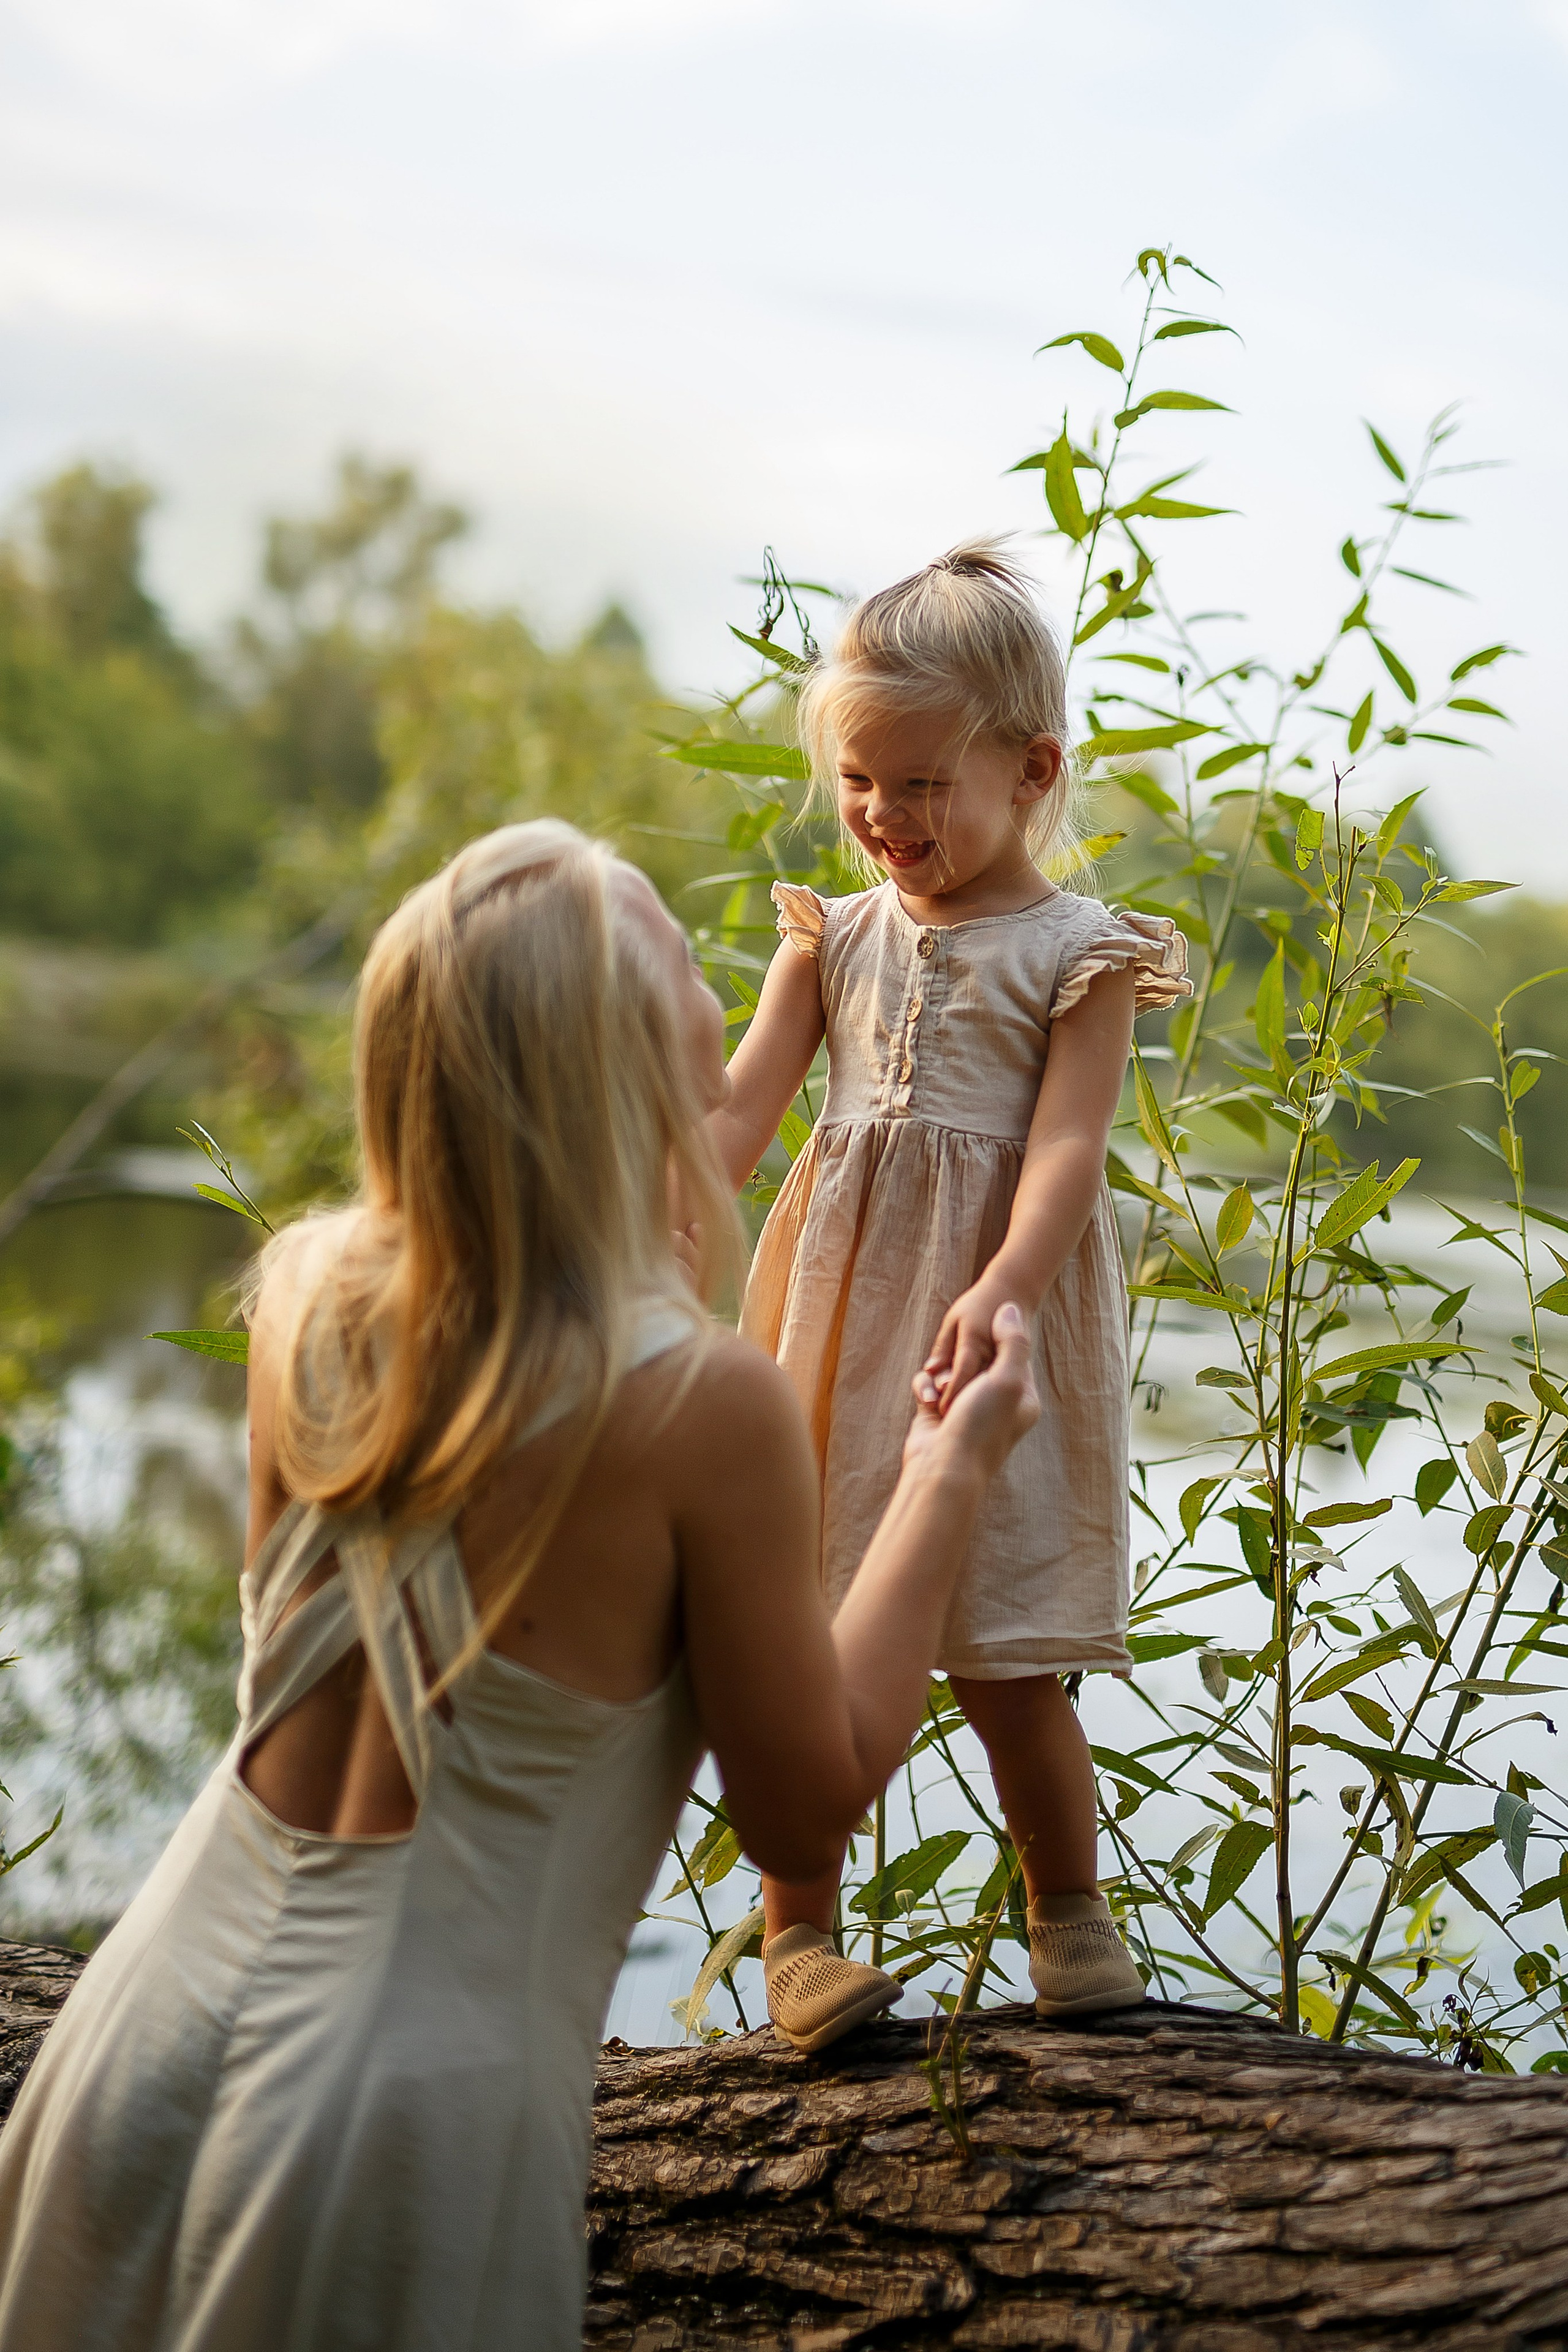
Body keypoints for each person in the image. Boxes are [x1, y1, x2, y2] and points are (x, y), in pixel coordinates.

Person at [0, 821, 1039, 2352]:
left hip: (145, 2019)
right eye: (679, 953)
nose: (719, 972)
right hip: (397, 2117)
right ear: (613, 1057)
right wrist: (950, 1474)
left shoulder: (313, 1303)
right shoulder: (696, 1405)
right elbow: (805, 1810)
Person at [709, 543, 1191, 2054]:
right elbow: (733, 1123)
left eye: (920, 784)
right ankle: (799, 1942)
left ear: (1031, 767)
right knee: (793, 1632)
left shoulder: (1077, 956)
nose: (880, 818)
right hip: (831, 1323)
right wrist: (630, 1205)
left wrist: (1001, 1287)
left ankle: (1072, 1929)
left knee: (1001, 1656)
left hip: (981, 1329)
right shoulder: (831, 937)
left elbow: (1064, 1154)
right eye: (860, 780)